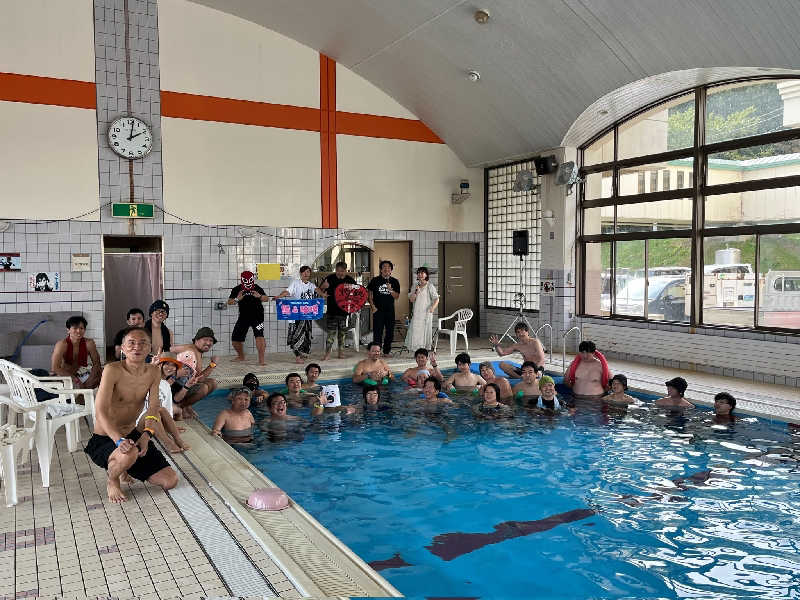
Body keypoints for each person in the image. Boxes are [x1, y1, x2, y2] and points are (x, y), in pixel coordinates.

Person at [85, 327, 178, 503]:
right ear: (122, 348)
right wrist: (118, 440)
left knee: (170, 481)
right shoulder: (112, 370)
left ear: (150, 348)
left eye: (143, 343)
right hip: (106, 437)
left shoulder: (153, 372)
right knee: (129, 453)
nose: (137, 347)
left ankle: (126, 467)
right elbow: (100, 412)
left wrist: (147, 434)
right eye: (131, 343)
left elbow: (153, 406)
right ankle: (113, 479)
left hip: (132, 433)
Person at [137, 354, 190, 452]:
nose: (170, 368)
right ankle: (168, 443)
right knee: (155, 409)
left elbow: (167, 410)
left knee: (160, 409)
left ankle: (178, 440)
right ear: (160, 364)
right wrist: (151, 366)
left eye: (173, 366)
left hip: (154, 423)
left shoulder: (166, 385)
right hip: (139, 424)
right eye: (167, 364)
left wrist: (172, 427)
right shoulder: (147, 378)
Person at [272, 265, 322, 363]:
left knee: (307, 335)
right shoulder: (295, 283)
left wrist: (323, 294)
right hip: (296, 315)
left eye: (308, 272)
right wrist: (279, 296)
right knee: (296, 335)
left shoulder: (311, 285)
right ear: (300, 273)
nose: (306, 274)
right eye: (304, 272)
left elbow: (317, 290)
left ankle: (303, 354)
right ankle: (297, 356)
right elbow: (287, 292)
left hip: (307, 315)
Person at [172, 327, 219, 418]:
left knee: (212, 382)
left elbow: (171, 349)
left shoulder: (195, 349)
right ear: (196, 340)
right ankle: (179, 407)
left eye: (211, 341)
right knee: (203, 388)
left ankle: (186, 406)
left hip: (184, 383)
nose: (208, 343)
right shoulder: (192, 350)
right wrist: (213, 364)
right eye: (205, 339)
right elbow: (200, 378)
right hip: (176, 388)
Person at [228, 271, 270, 365]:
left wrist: (259, 296)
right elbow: (229, 302)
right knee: (235, 340)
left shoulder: (257, 287)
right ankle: (241, 356)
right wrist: (237, 299)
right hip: (243, 317)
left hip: (258, 316)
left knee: (259, 336)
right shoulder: (237, 289)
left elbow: (266, 299)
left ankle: (261, 361)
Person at [319, 262, 357, 360]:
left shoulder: (350, 280)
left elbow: (357, 294)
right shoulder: (330, 278)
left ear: (346, 270)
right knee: (331, 334)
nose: (341, 273)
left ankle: (341, 353)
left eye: (343, 271)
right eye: (339, 271)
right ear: (336, 270)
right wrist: (324, 287)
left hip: (344, 312)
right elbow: (319, 291)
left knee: (342, 334)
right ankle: (327, 354)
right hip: (332, 311)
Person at [51, 315, 102, 389]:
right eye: (75, 328)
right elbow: (55, 368)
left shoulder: (89, 343)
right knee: (67, 386)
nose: (78, 331)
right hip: (66, 374)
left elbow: (97, 363)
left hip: (82, 372)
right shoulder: (61, 344)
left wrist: (91, 377)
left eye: (81, 328)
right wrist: (75, 380)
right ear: (68, 330)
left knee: (104, 374)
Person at [367, 260, 401, 357]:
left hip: (390, 310)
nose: (386, 269)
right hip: (378, 310)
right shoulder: (375, 280)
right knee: (378, 331)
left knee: (390, 331)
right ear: (381, 270)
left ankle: (386, 351)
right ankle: (376, 351)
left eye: (388, 267)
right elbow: (369, 295)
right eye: (384, 267)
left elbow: (396, 296)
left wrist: (390, 289)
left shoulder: (395, 281)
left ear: (391, 270)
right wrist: (373, 307)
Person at [406, 267, 439, 351]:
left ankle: (424, 350)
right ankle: (417, 350)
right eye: (419, 273)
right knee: (416, 331)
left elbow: (436, 299)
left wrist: (432, 308)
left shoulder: (430, 286)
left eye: (422, 273)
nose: (420, 274)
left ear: (426, 275)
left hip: (426, 313)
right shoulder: (415, 285)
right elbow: (411, 299)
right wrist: (416, 291)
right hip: (417, 313)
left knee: (424, 332)